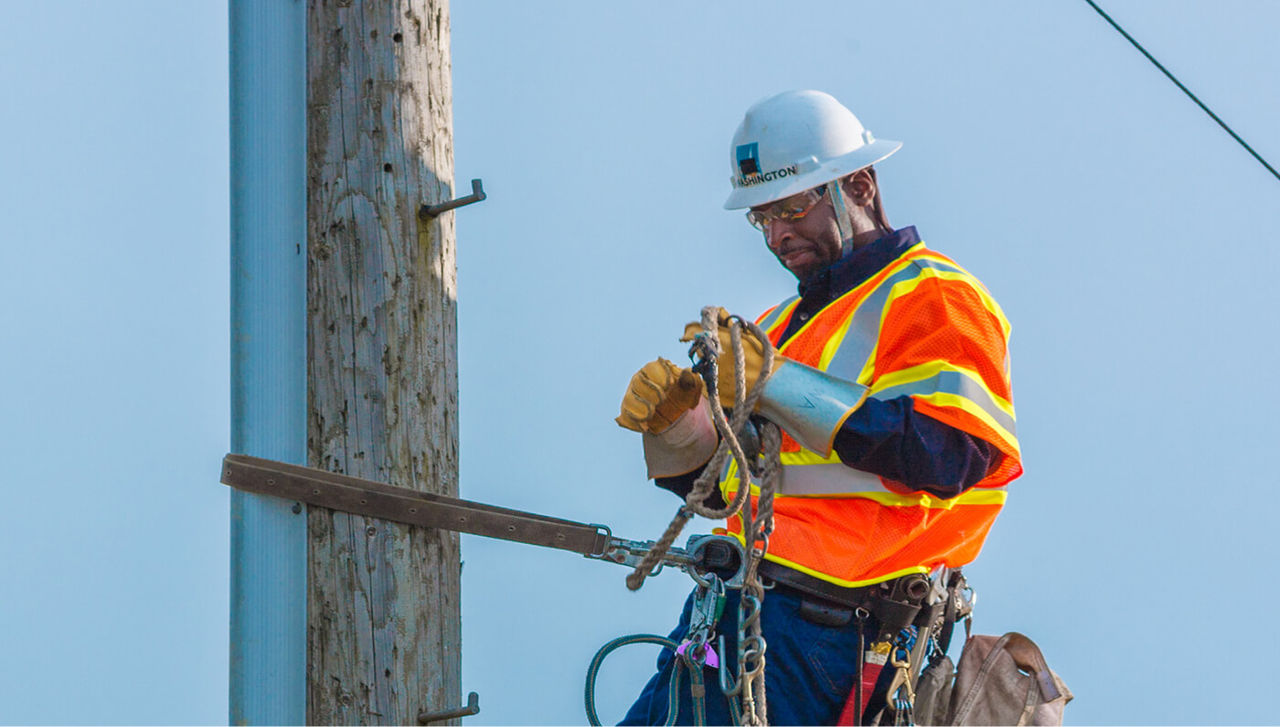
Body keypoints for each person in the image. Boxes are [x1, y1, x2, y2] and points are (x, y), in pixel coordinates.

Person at [614, 90, 1022, 725]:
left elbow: (948, 454)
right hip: (742, 612)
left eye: (793, 208)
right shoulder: (779, 328)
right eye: (763, 219)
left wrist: (775, 382)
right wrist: (679, 429)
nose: (778, 235)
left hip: (837, 630)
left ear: (858, 185)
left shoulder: (933, 295)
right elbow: (727, 492)